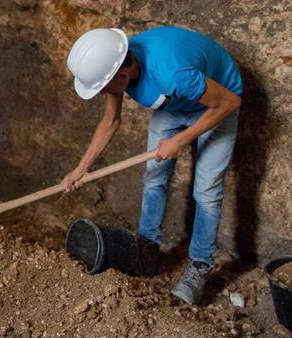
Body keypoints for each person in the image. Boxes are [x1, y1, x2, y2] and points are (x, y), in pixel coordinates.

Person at [64, 26, 242, 305]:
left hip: (216, 105)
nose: (102, 93)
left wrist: (181, 139)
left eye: (102, 88)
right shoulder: (116, 59)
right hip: (175, 103)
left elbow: (230, 102)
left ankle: (199, 266)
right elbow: (111, 120)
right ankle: (147, 247)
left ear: (121, 76)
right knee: (154, 177)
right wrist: (81, 168)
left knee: (206, 191)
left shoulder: (172, 73)